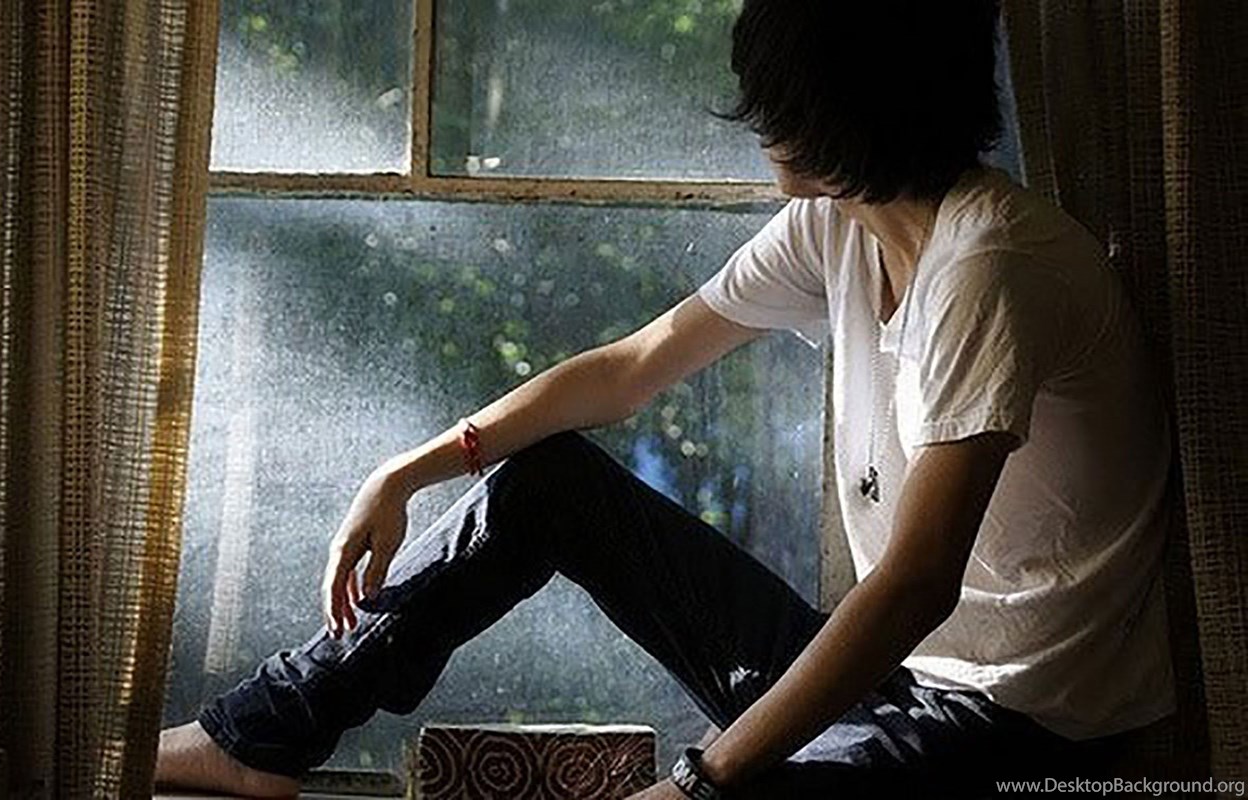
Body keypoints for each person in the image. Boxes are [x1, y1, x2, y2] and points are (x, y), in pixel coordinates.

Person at [155, 1, 1175, 797]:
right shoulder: (841, 226)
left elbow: (915, 585)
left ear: (843, 106)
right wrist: (410, 470)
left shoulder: (988, 267)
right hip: (887, 685)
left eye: (773, 91)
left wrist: (700, 779)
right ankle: (263, 733)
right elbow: (630, 368)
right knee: (546, 483)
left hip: (1017, 734)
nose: (753, 114)